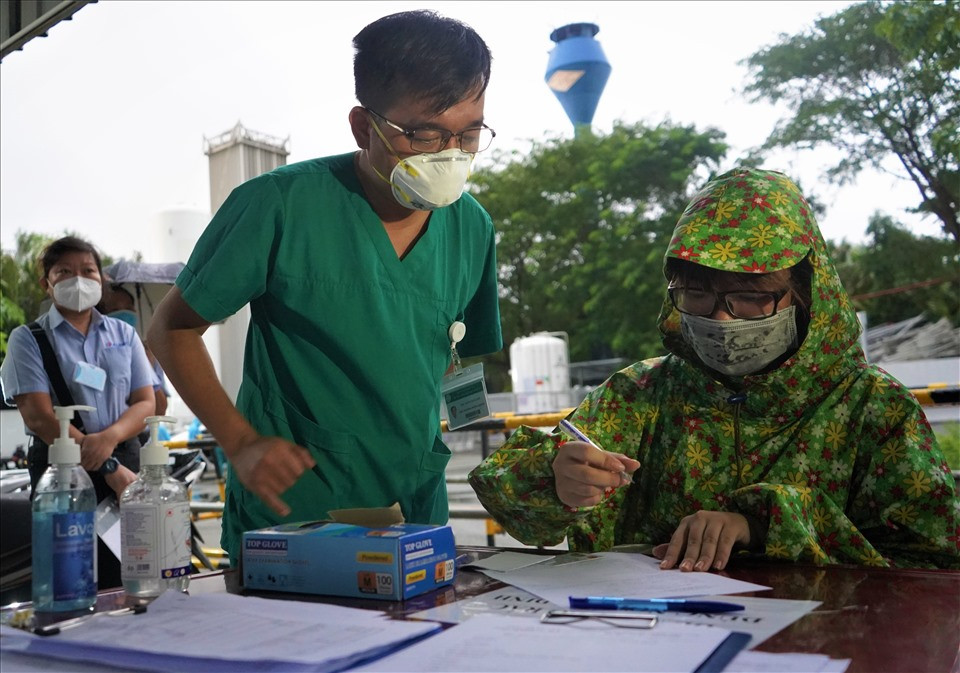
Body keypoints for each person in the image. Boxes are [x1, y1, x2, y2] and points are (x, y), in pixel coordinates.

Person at [469, 168, 960, 571]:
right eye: (697, 296)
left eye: (749, 297)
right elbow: (503, 491)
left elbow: (935, 563)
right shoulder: (641, 395)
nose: (721, 319)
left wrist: (770, 521)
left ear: (807, 293)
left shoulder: (874, 409)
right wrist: (555, 478)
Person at [147, 10, 502, 562]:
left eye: (470, 132)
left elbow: (455, 363)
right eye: (424, 133)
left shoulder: (472, 228)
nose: (449, 154)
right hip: (296, 516)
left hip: (415, 516)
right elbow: (171, 329)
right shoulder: (278, 206)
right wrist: (240, 443)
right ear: (364, 127)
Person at [0, 236, 156, 586]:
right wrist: (105, 462)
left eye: (88, 271)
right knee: (70, 572)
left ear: (101, 279)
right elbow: (39, 416)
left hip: (126, 458)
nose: (79, 280)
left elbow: (146, 402)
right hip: (61, 467)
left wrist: (110, 439)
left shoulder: (124, 334)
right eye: (65, 272)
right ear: (47, 283)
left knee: (130, 570)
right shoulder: (28, 338)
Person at [97, 278, 170, 417]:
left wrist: (146, 364)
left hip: (145, 435)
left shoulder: (148, 352)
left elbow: (160, 409)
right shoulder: (94, 352)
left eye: (129, 309)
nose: (125, 314)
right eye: (115, 310)